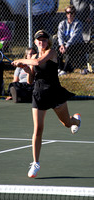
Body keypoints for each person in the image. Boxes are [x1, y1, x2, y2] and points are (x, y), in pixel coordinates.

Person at [11, 30, 81, 178]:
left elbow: (37, 62)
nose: (41, 41)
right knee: (38, 128)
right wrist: (25, 69)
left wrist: (22, 61)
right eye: (39, 39)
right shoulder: (34, 56)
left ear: (47, 41)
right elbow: (30, 80)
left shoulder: (51, 52)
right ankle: (36, 163)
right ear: (35, 42)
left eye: (44, 39)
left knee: (67, 123)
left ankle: (76, 120)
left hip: (54, 93)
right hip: (39, 94)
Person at [57, 5, 87, 76]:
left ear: (74, 13)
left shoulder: (78, 24)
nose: (69, 14)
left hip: (75, 44)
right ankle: (59, 68)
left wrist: (66, 46)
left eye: (71, 12)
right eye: (67, 12)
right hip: (64, 44)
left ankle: (65, 70)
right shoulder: (62, 23)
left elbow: (75, 37)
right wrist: (61, 45)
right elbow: (60, 35)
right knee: (56, 49)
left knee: (70, 49)